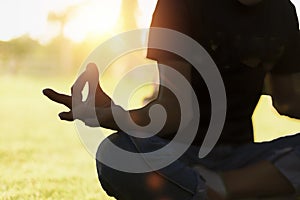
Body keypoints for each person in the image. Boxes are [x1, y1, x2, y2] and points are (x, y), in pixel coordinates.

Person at [43, 0, 300, 199]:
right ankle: (231, 190)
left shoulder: (284, 11)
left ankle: (215, 190)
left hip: (242, 161)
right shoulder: (180, 3)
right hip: (176, 157)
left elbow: (287, 100)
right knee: (116, 153)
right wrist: (115, 114)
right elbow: (174, 111)